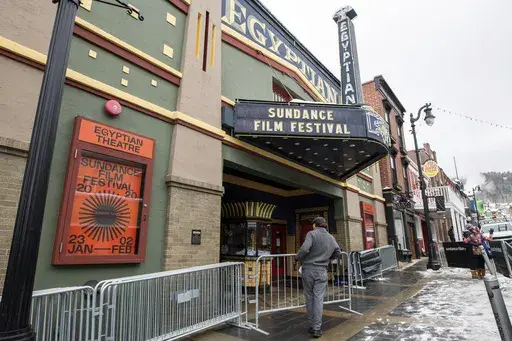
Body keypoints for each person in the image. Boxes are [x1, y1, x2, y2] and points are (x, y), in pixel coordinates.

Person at [296, 217, 342, 338]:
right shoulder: (331, 237)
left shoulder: (311, 234)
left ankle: (313, 326)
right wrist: (328, 258)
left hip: (309, 270)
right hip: (322, 271)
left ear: (315, 225)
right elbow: (338, 251)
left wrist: (298, 257)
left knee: (309, 298)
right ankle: (317, 328)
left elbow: (305, 249)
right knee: (318, 299)